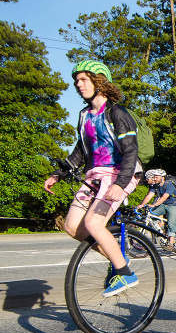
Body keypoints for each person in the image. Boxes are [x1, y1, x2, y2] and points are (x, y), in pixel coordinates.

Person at [43, 60, 142, 297]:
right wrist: (59, 173)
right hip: (96, 175)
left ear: (99, 82)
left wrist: (120, 185)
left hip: (120, 174)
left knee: (94, 224)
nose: (78, 85)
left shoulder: (117, 113)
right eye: (76, 81)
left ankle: (126, 273)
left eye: (83, 79)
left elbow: (130, 151)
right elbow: (80, 150)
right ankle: (116, 258)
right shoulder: (84, 115)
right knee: (72, 226)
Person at [137, 168, 176, 250]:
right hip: (164, 204)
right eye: (154, 177)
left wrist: (154, 204)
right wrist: (142, 205)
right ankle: (163, 230)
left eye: (156, 177)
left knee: (171, 223)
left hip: (174, 205)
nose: (154, 179)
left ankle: (171, 244)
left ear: (162, 177)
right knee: (152, 214)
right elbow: (149, 195)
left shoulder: (169, 184)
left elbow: (165, 197)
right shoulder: (155, 186)